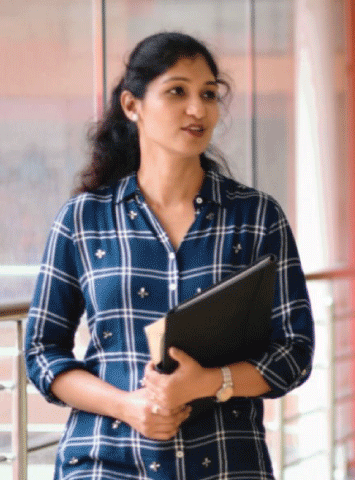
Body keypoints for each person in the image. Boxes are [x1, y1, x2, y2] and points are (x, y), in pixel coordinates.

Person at [25, 32, 314, 479]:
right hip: (105, 464)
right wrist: (127, 406)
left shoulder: (256, 217)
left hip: (225, 464)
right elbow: (43, 352)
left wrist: (211, 383)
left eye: (209, 94)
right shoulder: (83, 220)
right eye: (177, 91)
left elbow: (294, 350)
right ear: (131, 105)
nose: (197, 109)